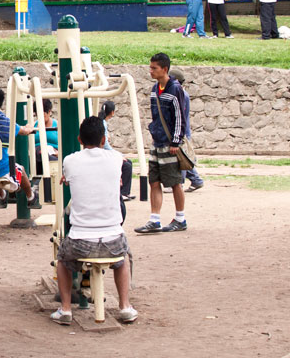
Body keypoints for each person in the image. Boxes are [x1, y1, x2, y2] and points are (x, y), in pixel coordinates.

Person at [50, 116, 138, 326]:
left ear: (80, 139)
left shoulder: (70, 161)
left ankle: (65, 309)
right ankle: (125, 306)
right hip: (112, 238)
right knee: (123, 258)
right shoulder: (116, 158)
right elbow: (121, 166)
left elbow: (70, 178)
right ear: (103, 139)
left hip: (80, 240)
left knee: (62, 260)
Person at [134, 53, 188, 234]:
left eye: (154, 68)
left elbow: (180, 116)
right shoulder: (154, 89)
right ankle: (154, 219)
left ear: (164, 69)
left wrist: (176, 141)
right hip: (157, 142)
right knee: (154, 181)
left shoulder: (175, 89)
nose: (150, 71)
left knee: (174, 182)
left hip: (169, 143)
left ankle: (180, 218)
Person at [170, 69, 204, 192]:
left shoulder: (181, 95)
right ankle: (196, 180)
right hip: (182, 130)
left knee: (181, 158)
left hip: (181, 131)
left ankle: (180, 183)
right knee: (184, 157)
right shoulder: (181, 93)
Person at [99, 100, 134, 202]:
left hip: (104, 152)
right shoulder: (103, 123)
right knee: (127, 164)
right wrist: (118, 154)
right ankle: (123, 192)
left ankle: (124, 192)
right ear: (112, 112)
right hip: (104, 153)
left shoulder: (102, 122)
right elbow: (105, 145)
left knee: (127, 162)